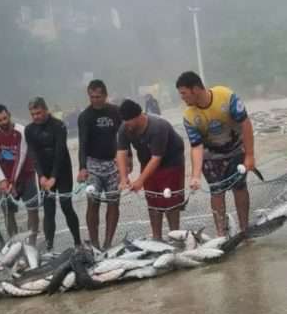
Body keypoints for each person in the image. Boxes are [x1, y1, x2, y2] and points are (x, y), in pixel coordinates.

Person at [176, 71, 255, 237]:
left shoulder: (226, 96)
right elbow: (196, 146)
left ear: (196, 89)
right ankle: (221, 233)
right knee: (216, 191)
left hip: (235, 150)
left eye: (184, 93)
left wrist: (249, 155)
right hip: (210, 156)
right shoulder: (189, 115)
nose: (182, 98)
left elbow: (246, 124)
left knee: (239, 188)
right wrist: (195, 175)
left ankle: (244, 229)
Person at [116, 99, 186, 240]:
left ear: (138, 116)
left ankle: (175, 236)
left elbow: (157, 158)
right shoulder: (124, 128)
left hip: (170, 161)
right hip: (146, 161)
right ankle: (157, 238)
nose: (126, 124)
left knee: (170, 201)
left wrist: (140, 180)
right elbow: (121, 153)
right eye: (124, 121)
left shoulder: (157, 127)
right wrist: (124, 178)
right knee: (153, 201)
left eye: (128, 120)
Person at [24, 97, 80, 251]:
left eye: (39, 113)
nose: (36, 116)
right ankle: (49, 247)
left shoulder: (58, 125)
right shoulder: (29, 130)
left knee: (66, 206)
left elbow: (60, 152)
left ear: (46, 110)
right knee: (48, 211)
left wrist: (54, 177)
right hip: (44, 175)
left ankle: (78, 242)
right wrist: (41, 176)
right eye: (33, 114)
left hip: (62, 172)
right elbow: (33, 154)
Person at [77, 80, 122, 250]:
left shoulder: (115, 111)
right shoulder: (85, 116)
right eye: (92, 97)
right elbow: (83, 144)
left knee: (113, 202)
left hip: (113, 164)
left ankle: (108, 242)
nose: (95, 100)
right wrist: (82, 167)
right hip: (93, 165)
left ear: (105, 95)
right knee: (93, 202)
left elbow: (123, 137)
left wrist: (128, 159)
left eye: (98, 96)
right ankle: (95, 243)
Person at [0, 104, 40, 241]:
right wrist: (2, 180)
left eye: (5, 118)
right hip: (6, 180)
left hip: (26, 176)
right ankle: (15, 242)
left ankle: (31, 243)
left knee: (32, 210)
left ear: (9, 115)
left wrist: (12, 181)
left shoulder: (22, 131)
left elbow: (21, 157)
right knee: (7, 212)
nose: (4, 122)